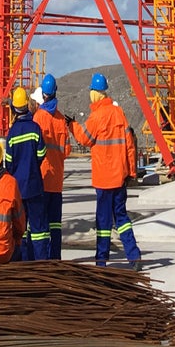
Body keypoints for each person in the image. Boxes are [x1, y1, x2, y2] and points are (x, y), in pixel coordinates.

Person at [67, 72, 141, 268]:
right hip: (120, 176)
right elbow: (130, 145)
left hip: (104, 179)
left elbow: (84, 139)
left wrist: (72, 125)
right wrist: (131, 172)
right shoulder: (119, 113)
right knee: (122, 218)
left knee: (103, 222)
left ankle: (101, 261)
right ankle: (134, 256)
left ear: (94, 93)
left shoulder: (96, 116)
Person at [4, 84, 49, 260]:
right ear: (27, 105)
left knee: (20, 229)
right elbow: (41, 154)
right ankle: (41, 264)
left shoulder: (12, 133)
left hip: (18, 189)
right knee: (38, 230)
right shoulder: (35, 128)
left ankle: (22, 263)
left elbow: (8, 163)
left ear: (14, 108)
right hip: (35, 185)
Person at [31, 72, 71, 260]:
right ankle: (55, 259)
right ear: (55, 92)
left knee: (40, 225)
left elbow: (34, 149)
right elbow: (67, 150)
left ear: (43, 94)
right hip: (57, 181)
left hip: (42, 179)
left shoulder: (38, 118)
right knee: (55, 224)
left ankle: (42, 260)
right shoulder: (62, 119)